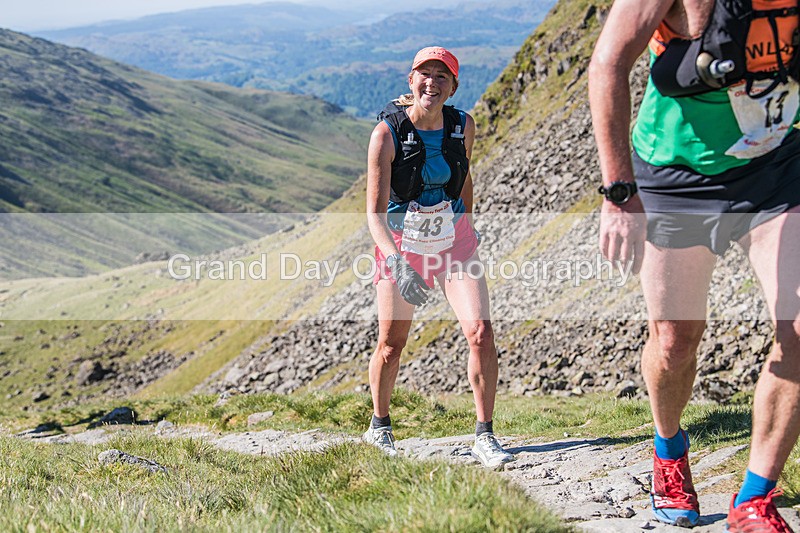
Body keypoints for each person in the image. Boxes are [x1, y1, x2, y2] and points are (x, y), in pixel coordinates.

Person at [589, 0, 800, 530]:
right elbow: (609, 63)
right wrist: (619, 195)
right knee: (674, 340)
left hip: (779, 168)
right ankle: (668, 449)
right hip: (676, 175)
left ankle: (753, 499)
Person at [362, 46, 515, 469]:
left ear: (454, 85)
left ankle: (485, 436)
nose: (433, 82)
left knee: (481, 332)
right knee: (392, 344)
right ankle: (379, 425)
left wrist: (467, 223)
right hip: (401, 246)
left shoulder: (463, 125)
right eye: (424, 74)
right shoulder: (386, 134)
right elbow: (373, 214)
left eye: (442, 75)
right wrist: (395, 262)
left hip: (454, 243)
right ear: (410, 81)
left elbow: (464, 176)